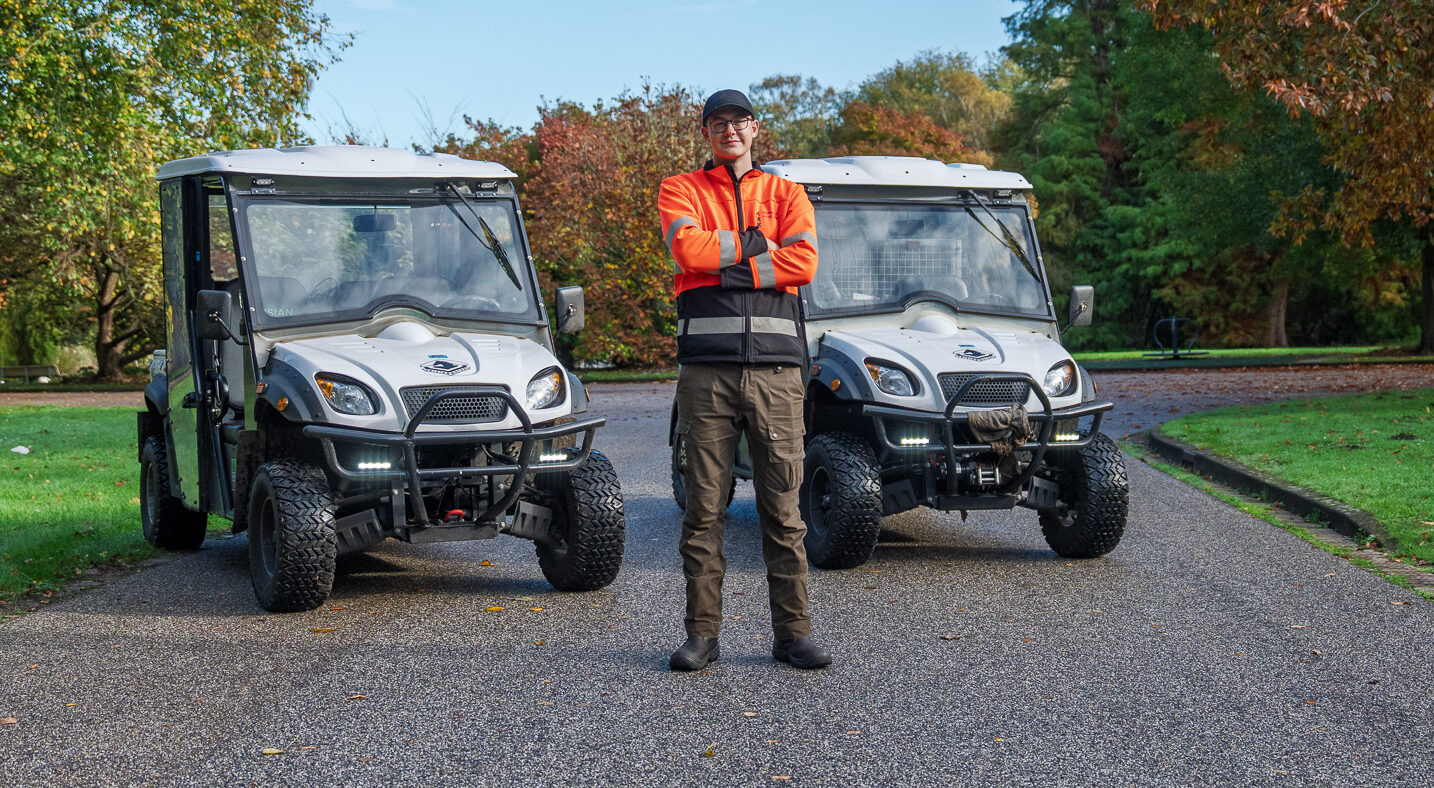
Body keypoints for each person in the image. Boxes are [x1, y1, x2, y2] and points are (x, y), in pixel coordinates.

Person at [657, 89, 830, 671]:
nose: (729, 130)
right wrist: (761, 249)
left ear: (755, 129)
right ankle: (701, 635)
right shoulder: (680, 189)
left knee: (784, 510)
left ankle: (793, 634)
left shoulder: (787, 192)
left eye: (739, 121)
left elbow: (803, 262)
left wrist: (724, 262)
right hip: (706, 374)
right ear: (707, 132)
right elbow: (686, 247)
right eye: (718, 122)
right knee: (703, 510)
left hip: (778, 375)